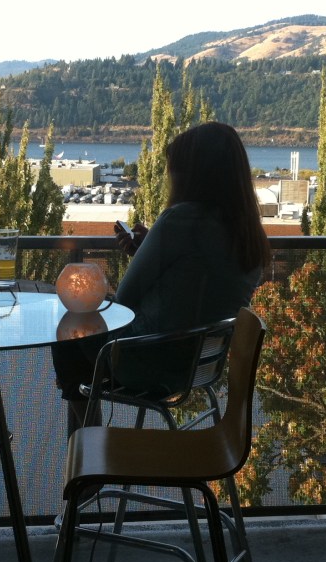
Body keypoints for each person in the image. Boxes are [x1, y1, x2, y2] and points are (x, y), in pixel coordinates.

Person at [53, 121, 272, 431]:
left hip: (144, 361)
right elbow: (194, 283)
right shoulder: (248, 234)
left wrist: (150, 252)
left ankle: (87, 441)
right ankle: (89, 442)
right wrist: (148, 252)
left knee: (70, 322)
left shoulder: (179, 221)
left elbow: (125, 303)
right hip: (197, 368)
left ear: (192, 175)